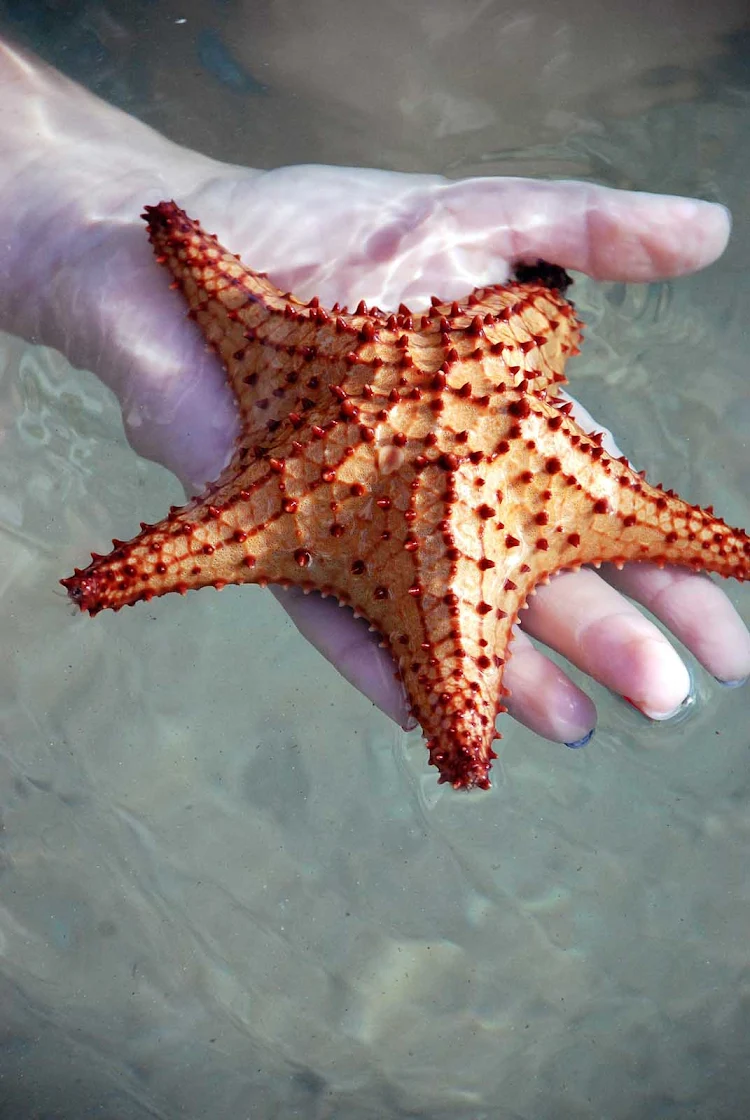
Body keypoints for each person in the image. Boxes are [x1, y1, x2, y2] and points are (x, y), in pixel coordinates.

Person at [1, 37, 747, 751]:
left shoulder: (308, 349)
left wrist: (84, 217)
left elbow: (522, 312)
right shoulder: (498, 340)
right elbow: (531, 312)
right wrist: (99, 225)